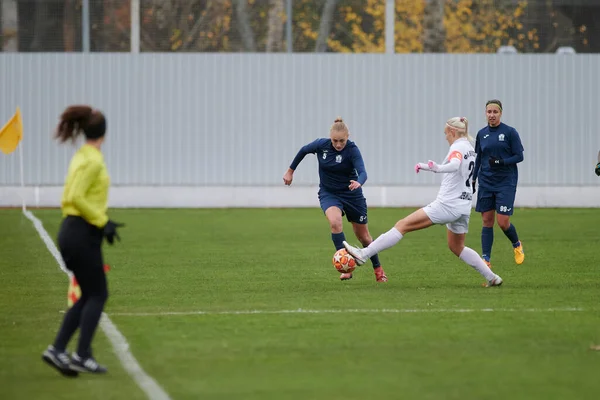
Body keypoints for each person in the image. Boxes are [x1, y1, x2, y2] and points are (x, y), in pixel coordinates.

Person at [342, 117, 503, 287]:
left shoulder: (457, 147)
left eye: (446, 133)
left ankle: (363, 254)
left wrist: (437, 168)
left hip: (447, 205)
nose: (445, 137)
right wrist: (427, 166)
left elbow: (455, 164)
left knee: (402, 225)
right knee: (457, 246)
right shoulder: (470, 148)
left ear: (453, 132)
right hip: (464, 206)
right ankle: (492, 277)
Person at [42, 105, 124, 377]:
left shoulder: (81, 156)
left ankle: (58, 349)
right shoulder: (94, 160)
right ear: (104, 133)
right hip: (81, 232)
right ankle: (82, 354)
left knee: (89, 293)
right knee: (98, 294)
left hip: (73, 230)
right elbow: (76, 196)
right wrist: (102, 222)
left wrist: (100, 223)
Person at [283, 117, 387, 282]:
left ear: (348, 137)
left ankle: (378, 269)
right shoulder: (321, 145)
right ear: (330, 137)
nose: (338, 144)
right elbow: (303, 150)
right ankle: (345, 267)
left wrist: (358, 182)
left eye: (342, 141)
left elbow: (363, 172)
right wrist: (290, 171)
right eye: (335, 141)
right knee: (335, 222)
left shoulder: (352, 150)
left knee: (364, 237)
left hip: (352, 194)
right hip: (329, 193)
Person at [472, 100, 525, 269]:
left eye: (495, 112)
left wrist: (501, 162)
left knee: (502, 222)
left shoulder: (510, 132)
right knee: (487, 221)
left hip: (505, 182)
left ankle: (516, 244)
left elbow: (519, 156)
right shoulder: (481, 134)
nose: (492, 115)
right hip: (486, 182)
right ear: (485, 113)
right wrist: (473, 179)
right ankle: (486, 260)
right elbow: (479, 158)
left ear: (500, 113)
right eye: (489, 112)